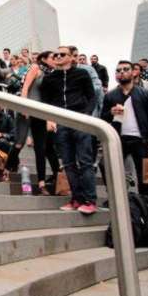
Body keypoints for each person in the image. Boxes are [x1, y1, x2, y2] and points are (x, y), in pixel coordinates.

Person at [41, 45, 97, 214]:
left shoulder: (82, 74)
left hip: (80, 120)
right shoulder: (49, 78)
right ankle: (76, 199)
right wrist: (49, 119)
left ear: (71, 57)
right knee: (68, 163)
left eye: (62, 54)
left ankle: (90, 200)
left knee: (85, 162)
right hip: (61, 122)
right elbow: (45, 101)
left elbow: (92, 97)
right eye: (55, 54)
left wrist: (87, 115)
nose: (57, 57)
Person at [101, 60, 148, 198]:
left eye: (125, 69)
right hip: (118, 139)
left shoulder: (145, 93)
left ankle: (146, 203)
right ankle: (115, 196)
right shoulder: (110, 95)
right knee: (105, 164)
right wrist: (111, 112)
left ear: (133, 72)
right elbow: (103, 119)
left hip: (140, 139)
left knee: (144, 175)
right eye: (118, 70)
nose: (121, 72)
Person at [16, 50, 61, 194]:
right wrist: (24, 106)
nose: (56, 59)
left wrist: (51, 118)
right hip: (35, 112)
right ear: (44, 59)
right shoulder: (36, 68)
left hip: (47, 114)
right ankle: (41, 183)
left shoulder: (52, 74)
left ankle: (58, 179)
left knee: (50, 149)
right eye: (52, 57)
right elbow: (25, 88)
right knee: (40, 148)